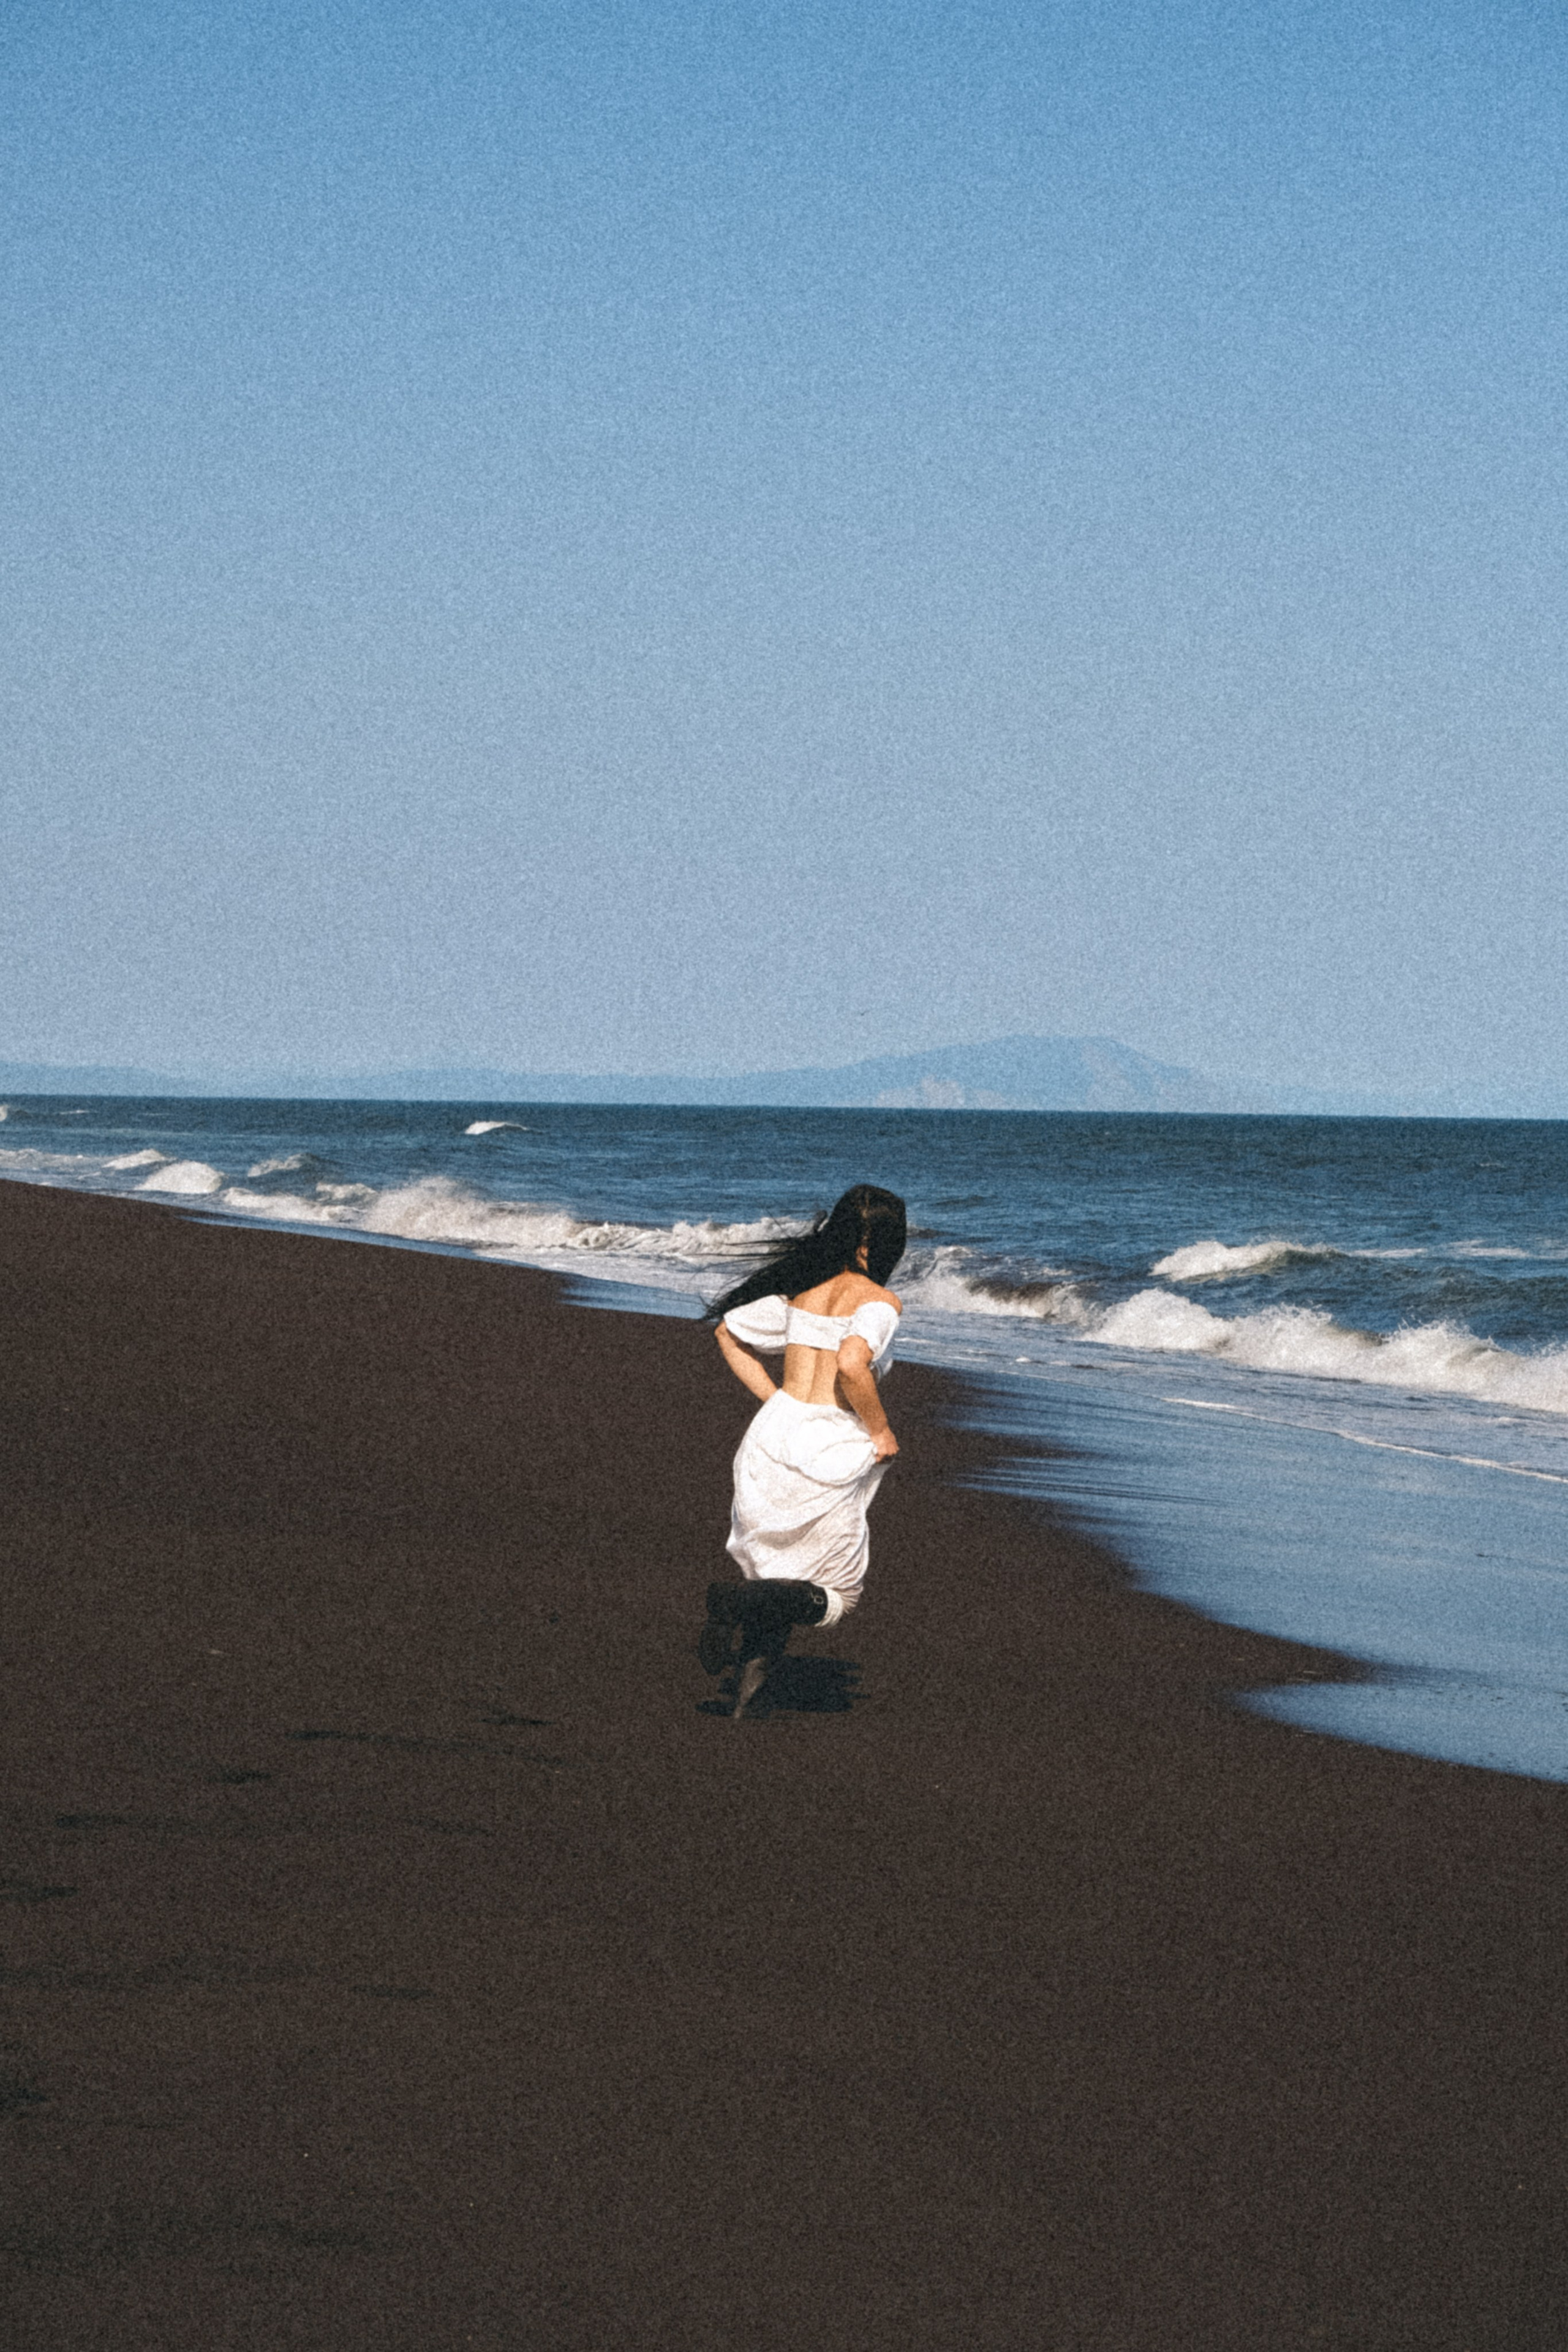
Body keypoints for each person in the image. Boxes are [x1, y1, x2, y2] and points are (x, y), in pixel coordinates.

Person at [701, 1183, 907, 1719]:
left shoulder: (804, 1296)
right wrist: (881, 1431)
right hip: (829, 1446)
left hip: (774, 1435)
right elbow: (852, 1363)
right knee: (838, 1595)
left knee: (773, 1575)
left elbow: (729, 1332)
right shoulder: (881, 1303)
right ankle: (734, 1604)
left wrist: (777, 1400)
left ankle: (747, 1701)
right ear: (881, 1244)